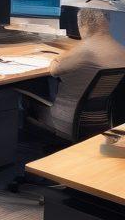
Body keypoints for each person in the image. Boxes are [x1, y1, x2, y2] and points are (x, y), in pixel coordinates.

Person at [25, 8, 125, 137]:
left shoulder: (85, 51)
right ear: (107, 22)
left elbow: (54, 70)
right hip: (102, 120)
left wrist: (60, 57)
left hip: (65, 120)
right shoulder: (121, 50)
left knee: (25, 93)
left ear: (81, 24)